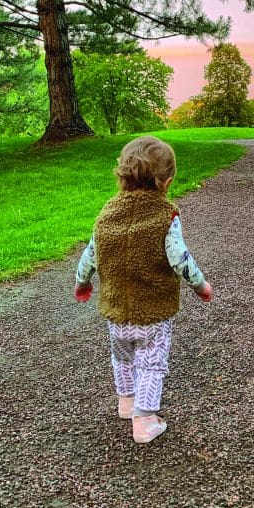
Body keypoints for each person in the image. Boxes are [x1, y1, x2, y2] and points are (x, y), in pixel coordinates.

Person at [74, 135, 213, 444]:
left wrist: (82, 282)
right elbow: (180, 257)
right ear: (167, 181)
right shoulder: (165, 215)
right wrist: (200, 285)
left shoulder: (107, 213)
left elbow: (91, 253)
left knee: (122, 356)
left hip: (116, 311)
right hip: (152, 312)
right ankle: (145, 419)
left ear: (121, 174)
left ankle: (126, 404)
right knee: (151, 361)